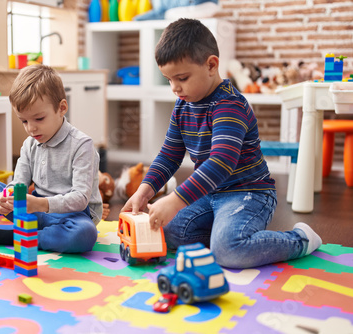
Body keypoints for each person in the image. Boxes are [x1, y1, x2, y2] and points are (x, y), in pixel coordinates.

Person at [122, 18, 321, 269]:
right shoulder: (183, 105)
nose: (175, 88)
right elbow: (169, 155)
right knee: (164, 230)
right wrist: (145, 190)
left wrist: (175, 200)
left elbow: (221, 163)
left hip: (248, 193)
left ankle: (299, 239)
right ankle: (225, 233)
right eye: (169, 80)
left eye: (181, 78)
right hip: (209, 194)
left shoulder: (229, 105)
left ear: (211, 65)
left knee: (228, 252)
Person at [0, 64, 102, 253]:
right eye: (24, 121)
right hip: (32, 211)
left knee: (84, 234)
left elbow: (80, 199)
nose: (30, 128)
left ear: (61, 108)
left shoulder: (82, 145)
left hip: (70, 217)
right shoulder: (30, 144)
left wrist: (40, 204)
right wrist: (6, 198)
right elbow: (17, 183)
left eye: (39, 119)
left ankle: (19, 237)